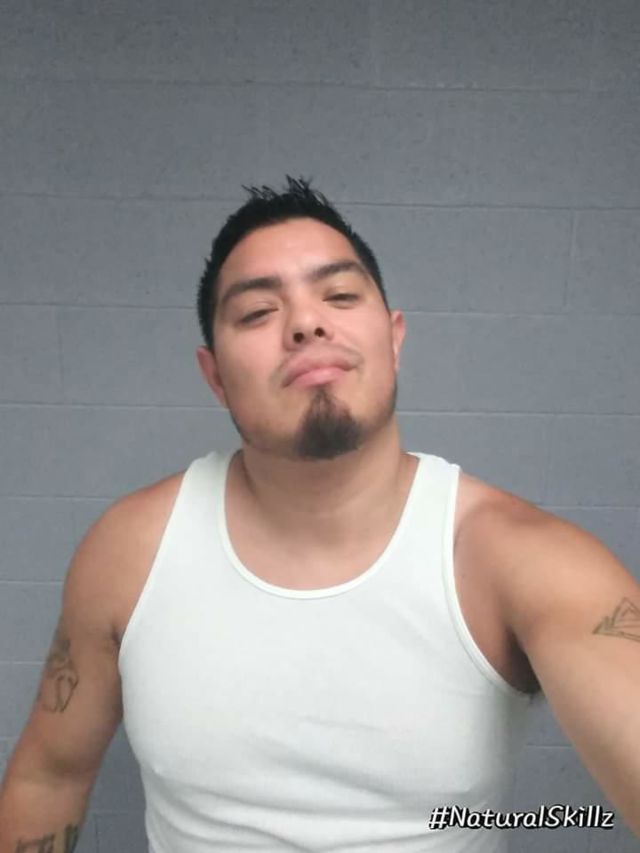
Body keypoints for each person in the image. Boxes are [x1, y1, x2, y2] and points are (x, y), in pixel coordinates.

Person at [0, 177, 638, 852]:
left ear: (393, 339)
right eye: (257, 312)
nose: (306, 323)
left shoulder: (520, 560)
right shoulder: (129, 552)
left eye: (339, 295)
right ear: (215, 377)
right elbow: (47, 780)